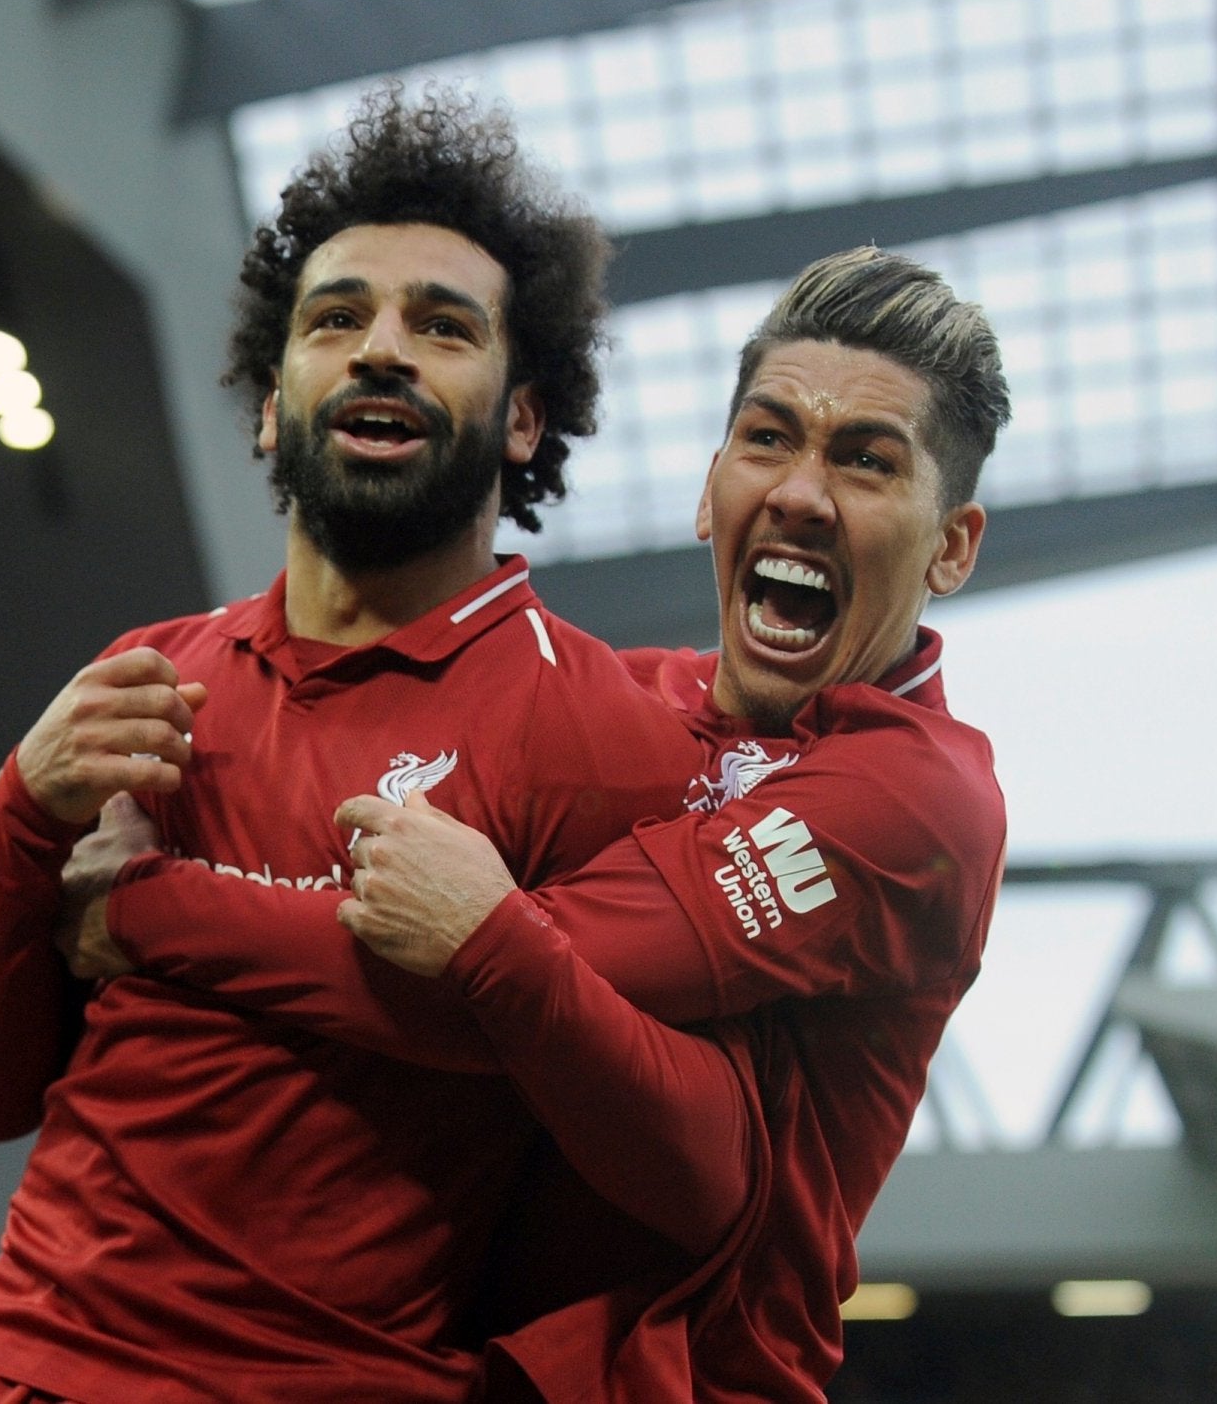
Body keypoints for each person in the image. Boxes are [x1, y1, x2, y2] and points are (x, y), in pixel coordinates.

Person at [0, 87, 767, 1404]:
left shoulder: (604, 736)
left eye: (443, 325)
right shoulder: (154, 678)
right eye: (336, 317)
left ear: (524, 419)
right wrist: (18, 810)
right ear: (270, 401)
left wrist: (495, 953)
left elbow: (709, 1170)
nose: (380, 350)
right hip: (7, 1363)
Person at [71, 245, 1013, 1400]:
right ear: (710, 483)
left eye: (867, 463)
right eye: (768, 440)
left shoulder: (919, 800)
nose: (803, 493)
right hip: (436, 1357)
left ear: (953, 546)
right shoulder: (621, 703)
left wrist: (143, 903)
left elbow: (458, 961)